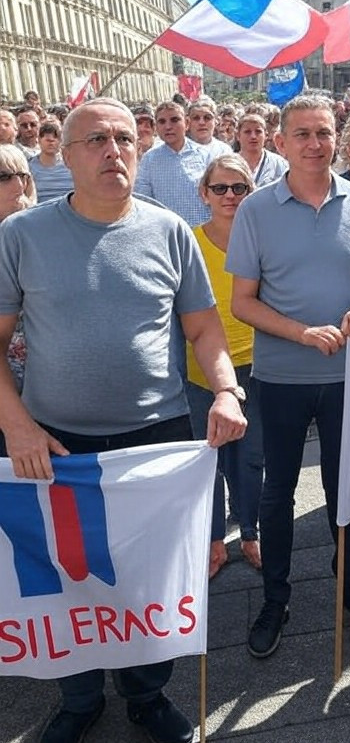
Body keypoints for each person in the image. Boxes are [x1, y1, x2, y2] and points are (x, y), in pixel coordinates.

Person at [0, 97, 247, 743]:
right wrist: (17, 426)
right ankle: (79, 697)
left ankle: (145, 695)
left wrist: (225, 390)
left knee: (151, 577)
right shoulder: (20, 237)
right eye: (96, 141)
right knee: (64, 581)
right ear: (65, 154)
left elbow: (204, 328)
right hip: (58, 443)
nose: (114, 151)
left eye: (123, 141)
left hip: (155, 441)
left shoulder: (169, 231)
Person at [227, 93, 350, 659]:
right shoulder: (255, 210)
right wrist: (300, 332)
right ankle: (276, 597)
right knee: (277, 494)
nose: (314, 144)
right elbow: (242, 302)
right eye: (302, 134)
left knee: (346, 487)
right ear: (281, 143)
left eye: (324, 133)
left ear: (336, 140)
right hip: (280, 377)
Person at [186, 155, 264, 576]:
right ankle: (214, 538)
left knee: (251, 458)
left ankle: (250, 531)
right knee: (208, 460)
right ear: (205, 193)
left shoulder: (264, 238)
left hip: (256, 364)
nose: (230, 196)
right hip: (201, 371)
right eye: (221, 188)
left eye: (240, 188)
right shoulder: (189, 241)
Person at [134, 100, 212, 226]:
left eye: (174, 120)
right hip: (167, 234)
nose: (168, 126)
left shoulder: (206, 156)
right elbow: (143, 202)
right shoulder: (149, 160)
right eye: (162, 122)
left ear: (186, 123)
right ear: (156, 127)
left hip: (202, 233)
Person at [0, 145, 36, 394]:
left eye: (22, 175)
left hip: (40, 368)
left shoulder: (40, 230)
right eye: (4, 177)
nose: (17, 184)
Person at [234, 111, 287, 187]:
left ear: (266, 135)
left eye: (258, 132)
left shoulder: (280, 164)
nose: (253, 136)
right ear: (238, 136)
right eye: (247, 132)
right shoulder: (228, 164)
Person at [28, 119, 73, 203]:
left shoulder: (72, 165)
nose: (51, 141)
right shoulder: (29, 167)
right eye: (47, 139)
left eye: (55, 138)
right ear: (39, 139)